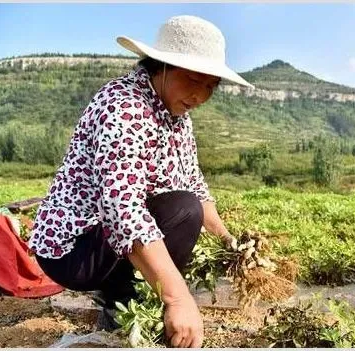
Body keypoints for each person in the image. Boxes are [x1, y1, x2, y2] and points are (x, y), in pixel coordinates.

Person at [28, 15, 253, 348]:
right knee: (182, 210)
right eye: (193, 80)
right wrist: (177, 299)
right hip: (73, 248)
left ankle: (122, 300)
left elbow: (194, 182)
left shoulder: (177, 117)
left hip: (104, 238)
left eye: (210, 86)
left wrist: (228, 241)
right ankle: (120, 302)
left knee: (185, 205)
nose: (200, 96)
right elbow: (123, 208)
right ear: (161, 66)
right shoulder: (125, 107)